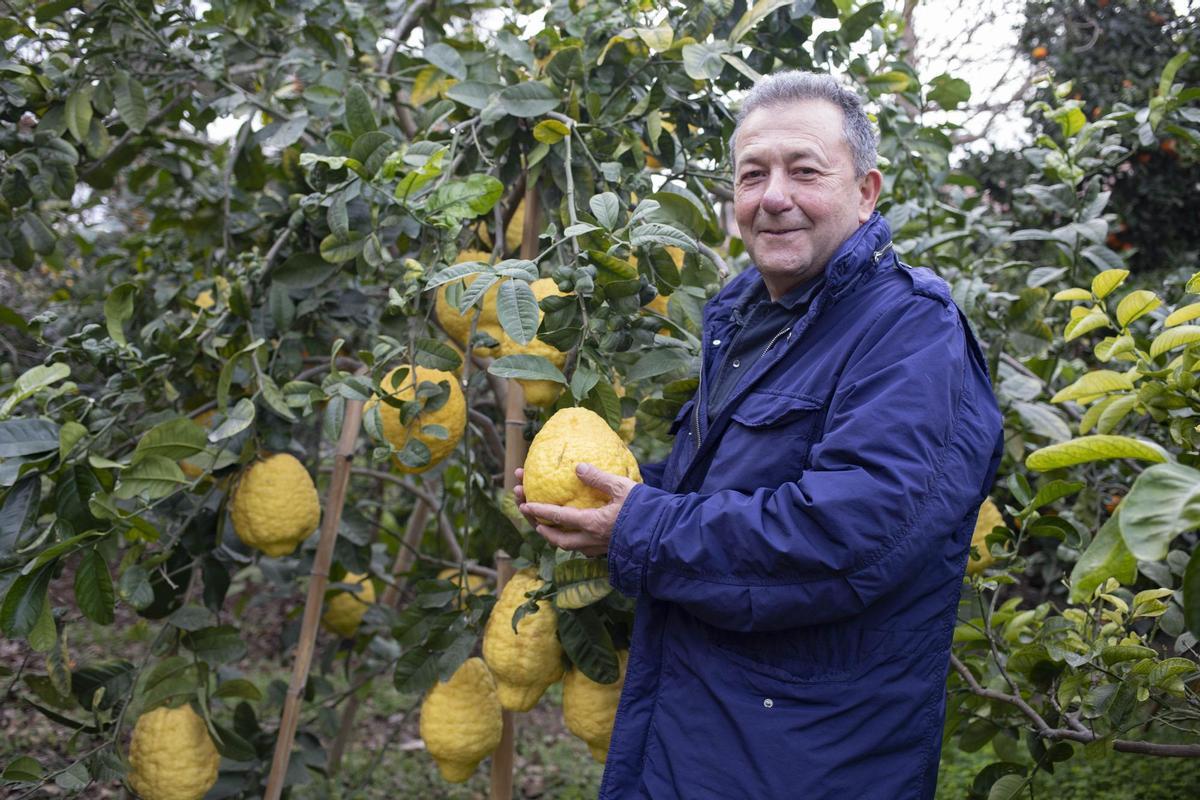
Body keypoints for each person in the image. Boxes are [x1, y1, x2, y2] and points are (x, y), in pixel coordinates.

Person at [515, 70, 1003, 799]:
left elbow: (853, 536)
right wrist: (618, 495)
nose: (774, 197)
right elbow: (736, 487)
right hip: (700, 726)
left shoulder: (910, 331)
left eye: (805, 171)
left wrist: (643, 526)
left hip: (807, 755)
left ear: (865, 193)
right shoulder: (747, 318)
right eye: (753, 175)